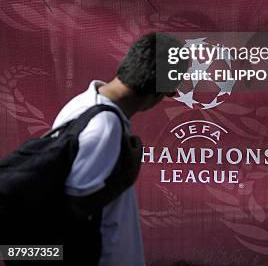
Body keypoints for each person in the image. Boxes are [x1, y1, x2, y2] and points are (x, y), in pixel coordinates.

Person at [51, 32, 185, 266]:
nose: (172, 95)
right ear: (157, 91)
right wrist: (125, 177)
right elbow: (71, 207)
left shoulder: (84, 105)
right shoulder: (103, 126)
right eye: (172, 89)